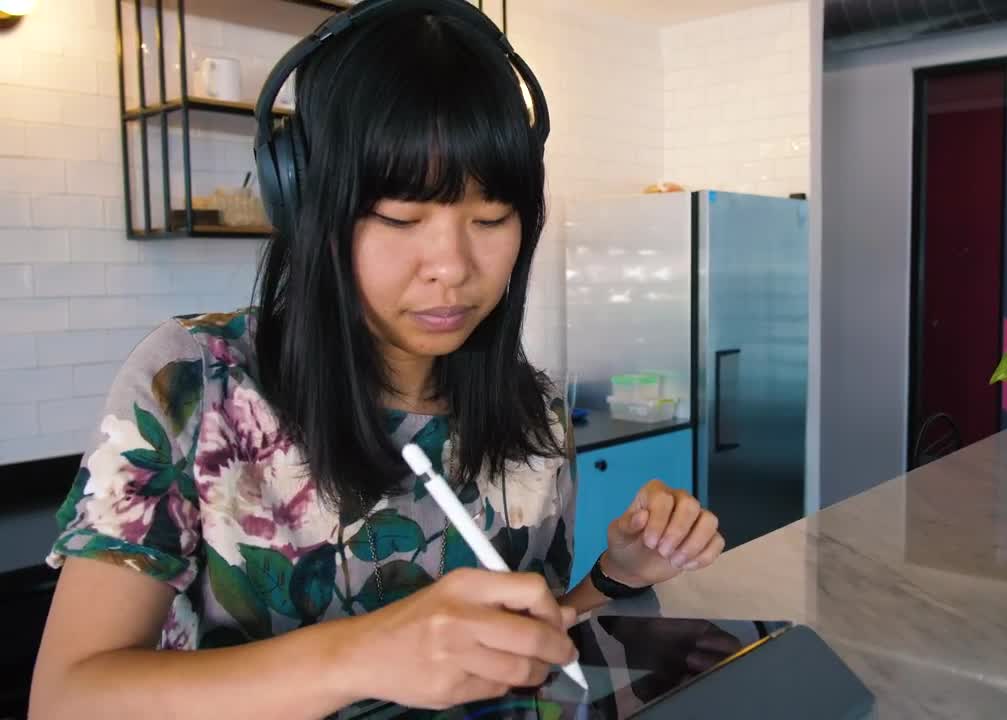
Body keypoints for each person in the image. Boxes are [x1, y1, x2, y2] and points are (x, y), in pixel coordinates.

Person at [29, 3, 724, 717]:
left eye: (490, 219)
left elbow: (522, 647)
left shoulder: (531, 412)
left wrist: (614, 578)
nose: (452, 267)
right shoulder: (196, 383)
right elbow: (67, 697)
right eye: (400, 217)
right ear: (307, 204)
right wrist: (359, 653)